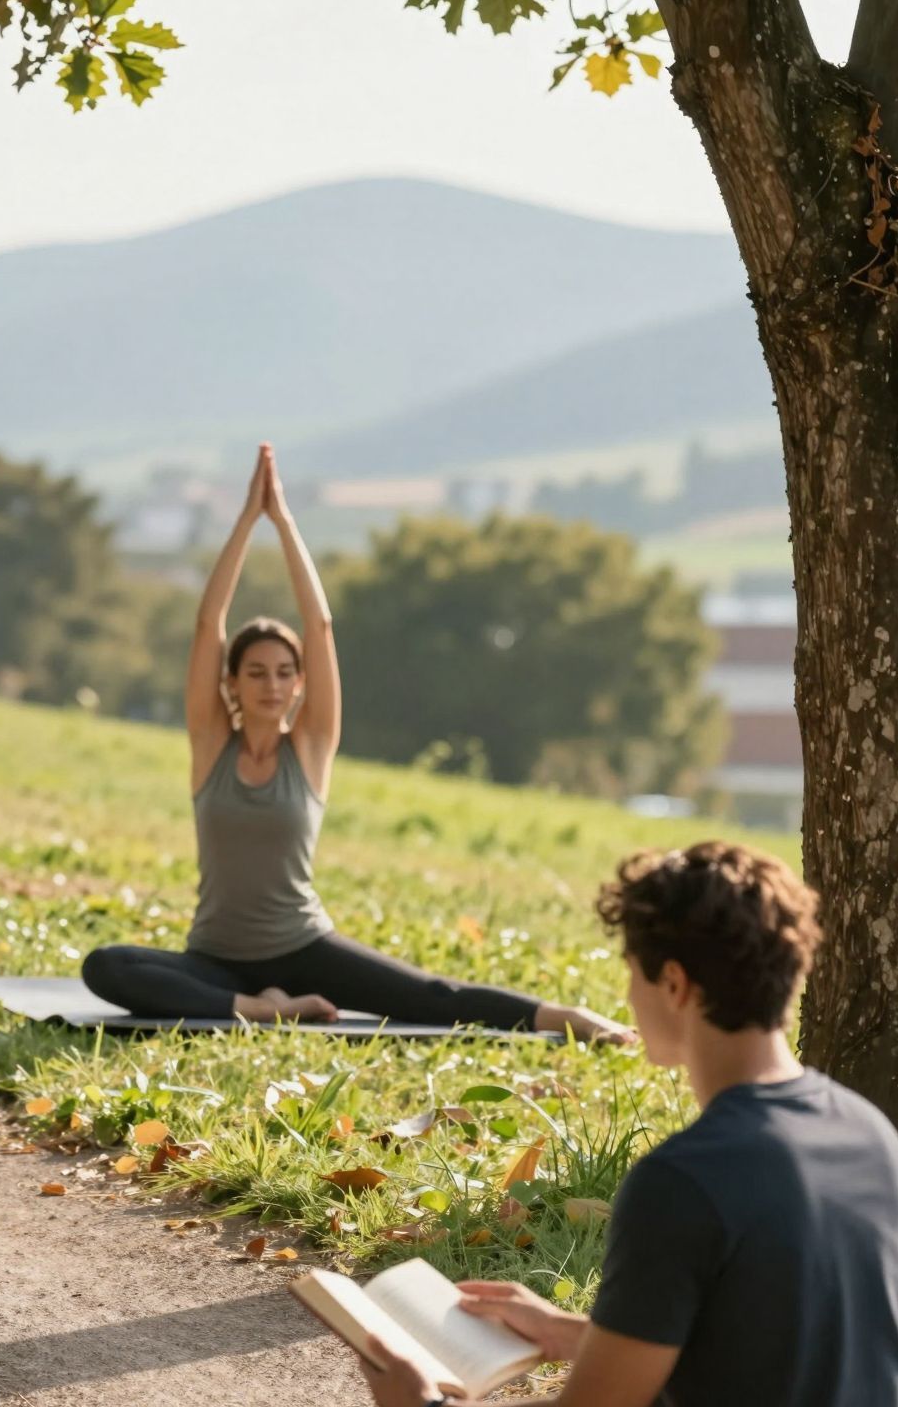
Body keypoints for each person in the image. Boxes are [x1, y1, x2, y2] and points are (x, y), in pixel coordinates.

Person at [329, 842, 898, 1407]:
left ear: (676, 985)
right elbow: (775, 1336)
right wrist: (573, 1332)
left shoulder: (685, 1177)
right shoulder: (869, 1133)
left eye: (634, 974)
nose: (630, 994)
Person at [83, 445, 628, 1040]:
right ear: (231, 682)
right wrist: (245, 520)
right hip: (215, 959)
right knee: (108, 967)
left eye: (285, 673)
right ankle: (264, 1009)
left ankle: (569, 1016)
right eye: (256, 672)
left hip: (303, 948)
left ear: (299, 685)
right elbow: (207, 625)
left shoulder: (311, 748)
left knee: (430, 995)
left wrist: (283, 522)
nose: (272, 684)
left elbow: (318, 627)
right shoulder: (212, 746)